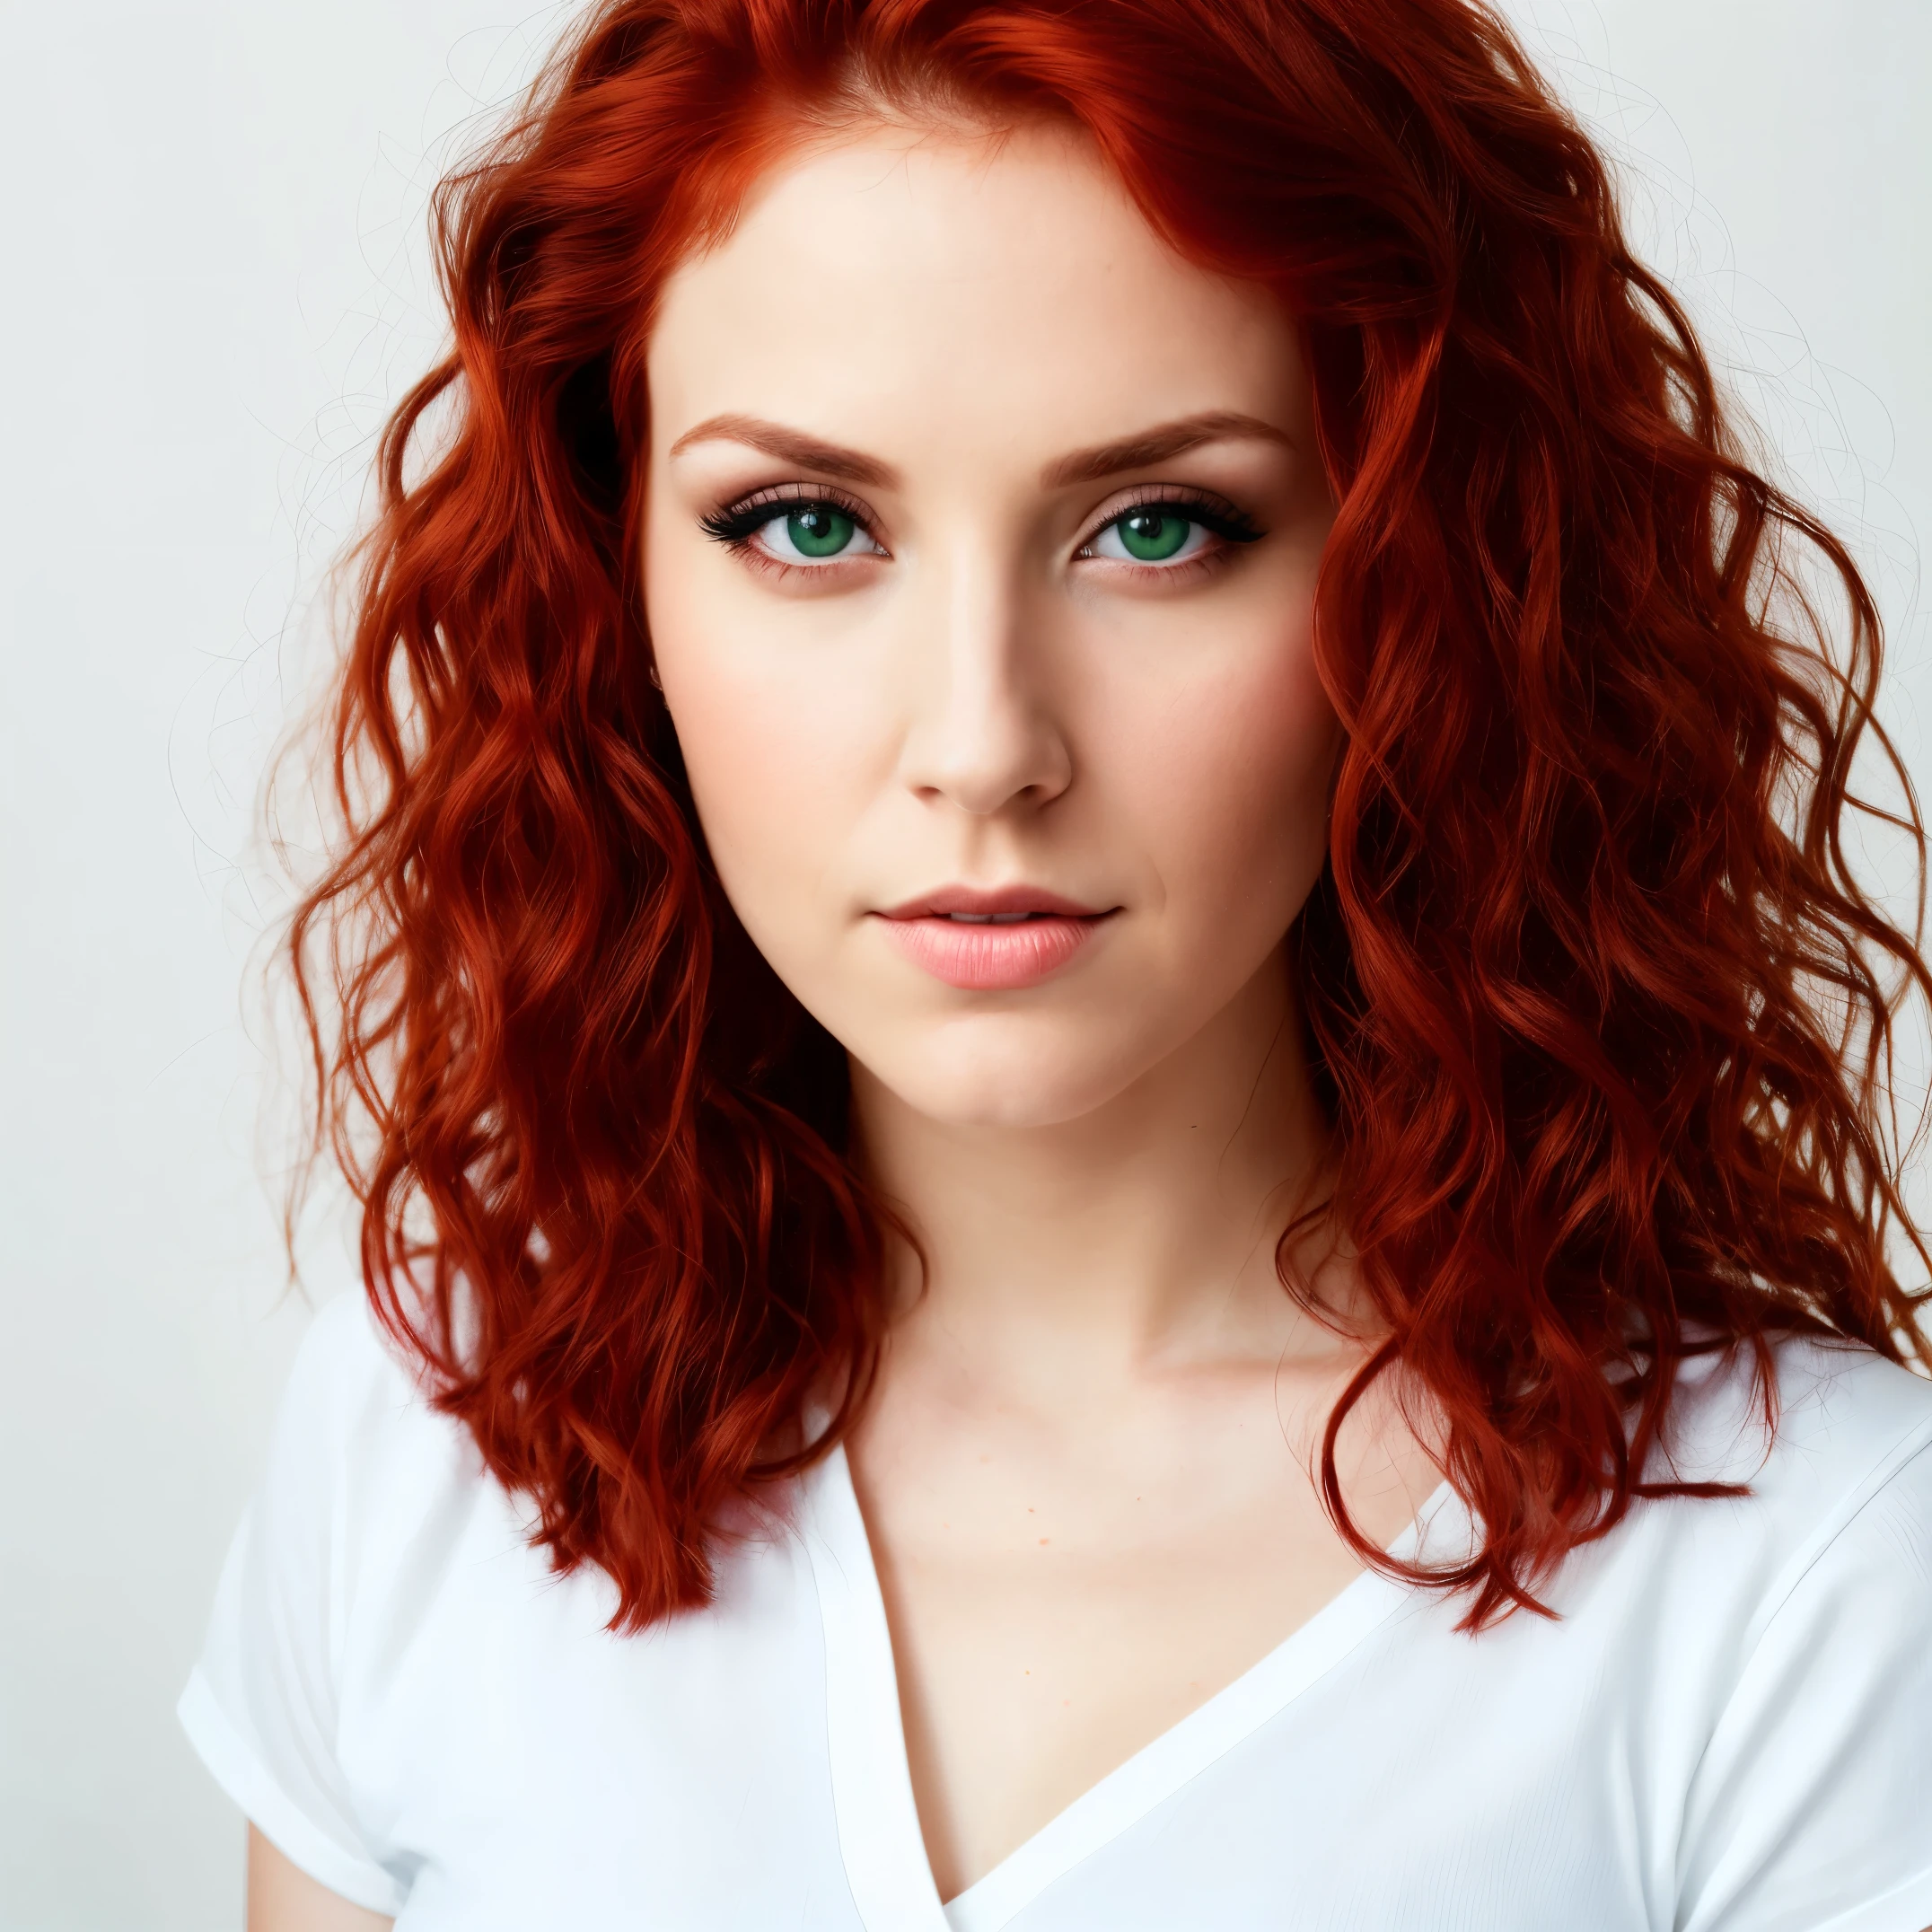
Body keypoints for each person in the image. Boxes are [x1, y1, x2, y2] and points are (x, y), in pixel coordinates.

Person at [179, 1, 1932, 1926]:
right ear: (616, 586)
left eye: (1156, 528)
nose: (983, 740)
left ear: (1420, 585)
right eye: (808, 524)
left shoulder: (1804, 1574)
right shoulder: (445, 1419)